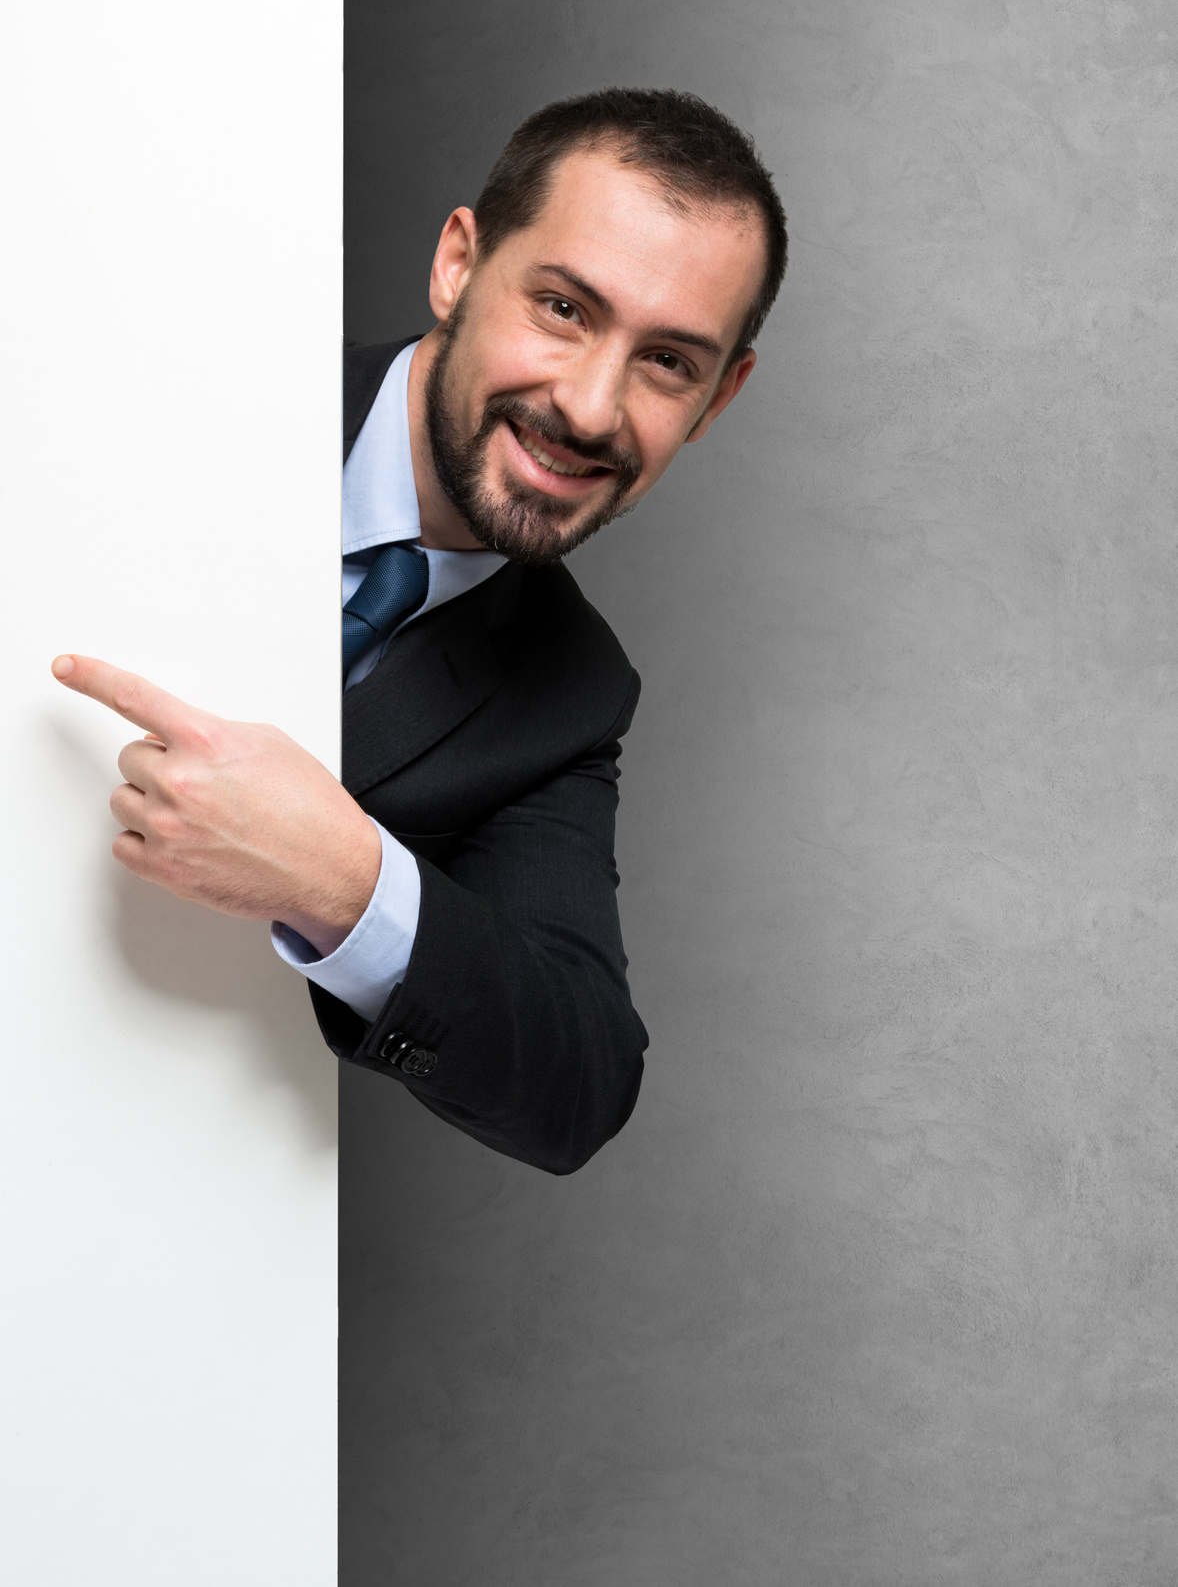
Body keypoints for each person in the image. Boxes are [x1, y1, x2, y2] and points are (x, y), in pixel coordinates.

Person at [53, 88, 787, 1174]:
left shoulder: (567, 692)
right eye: (563, 309)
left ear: (716, 400)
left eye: (667, 362)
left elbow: (577, 1079)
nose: (589, 407)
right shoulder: (205, 386)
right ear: (457, 265)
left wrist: (339, 879)